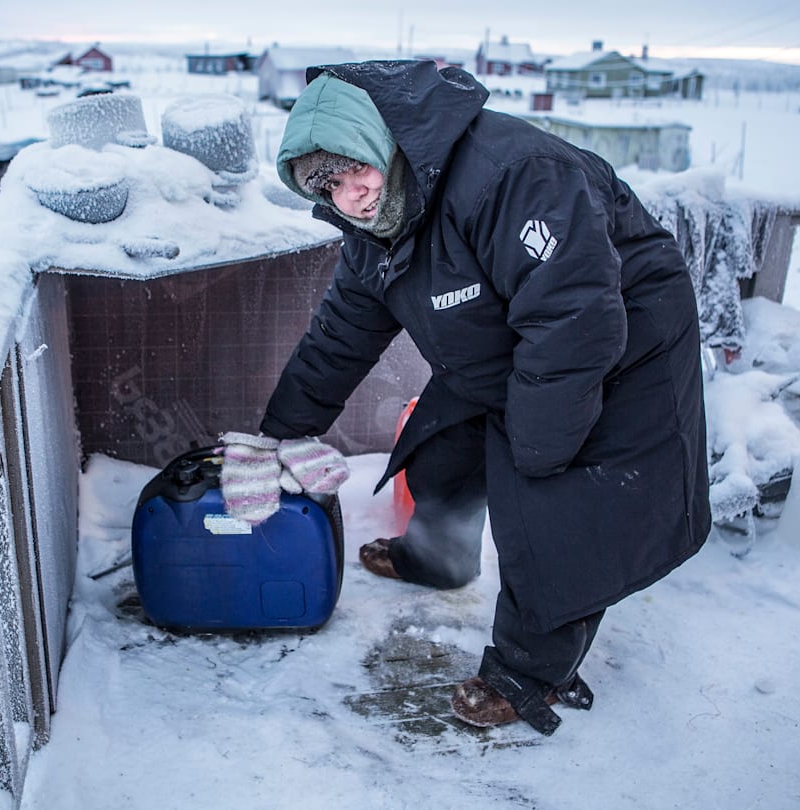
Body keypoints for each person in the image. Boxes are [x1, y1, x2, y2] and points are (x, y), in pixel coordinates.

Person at [218, 59, 711, 736]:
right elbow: (338, 341)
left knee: (553, 514)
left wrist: (539, 451)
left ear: (380, 142)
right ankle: (439, 559)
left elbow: (573, 319)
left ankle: (529, 673)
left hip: (620, 339)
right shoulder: (376, 231)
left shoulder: (511, 175)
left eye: (352, 169)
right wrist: (278, 435)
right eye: (326, 187)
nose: (350, 196)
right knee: (444, 448)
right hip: (519, 338)